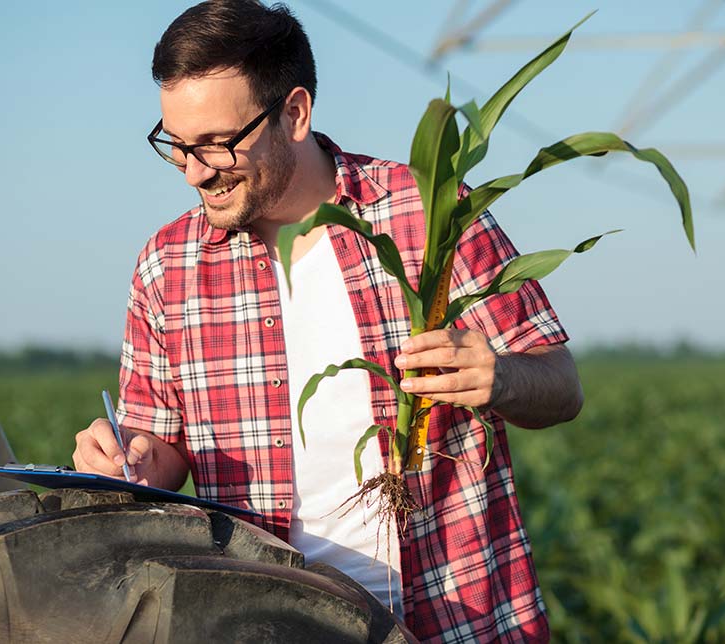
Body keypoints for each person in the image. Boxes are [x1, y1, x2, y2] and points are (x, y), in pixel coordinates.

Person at [73, 1, 583, 641]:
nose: (196, 171)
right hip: (267, 625)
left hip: (455, 617)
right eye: (176, 146)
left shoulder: (427, 217)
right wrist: (132, 461)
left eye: (216, 144)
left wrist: (500, 378)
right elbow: (160, 448)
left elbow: (561, 386)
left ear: (294, 113)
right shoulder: (166, 266)